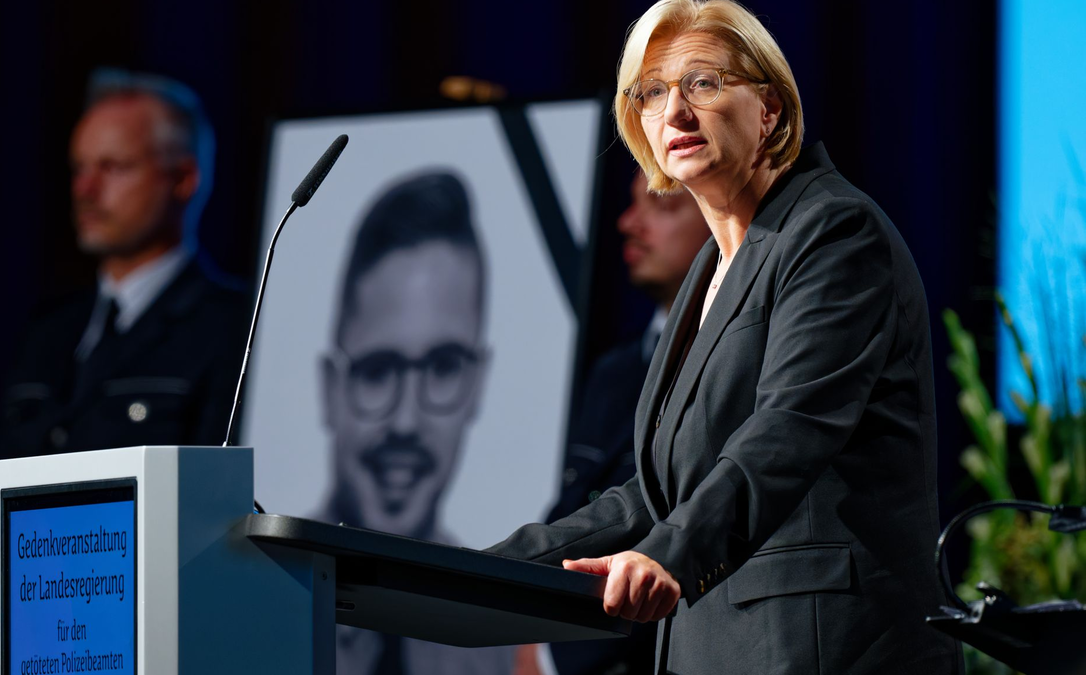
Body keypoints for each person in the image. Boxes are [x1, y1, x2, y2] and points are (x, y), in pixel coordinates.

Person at [489, 1, 962, 673]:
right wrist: (479, 568)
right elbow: (653, 493)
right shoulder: (708, 272)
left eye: (702, 83)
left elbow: (789, 429)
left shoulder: (834, 231)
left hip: (822, 645)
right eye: (652, 92)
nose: (675, 112)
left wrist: (669, 555)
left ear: (769, 108)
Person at [313, 170, 512, 675]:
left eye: (443, 368)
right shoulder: (251, 609)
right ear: (331, 388)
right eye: (378, 371)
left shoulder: (503, 646)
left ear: (478, 384)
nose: (405, 420)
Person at [0, 69, 248, 459]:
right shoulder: (47, 332)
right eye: (79, 168)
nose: (85, 190)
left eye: (113, 166)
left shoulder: (235, 328)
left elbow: (224, 489)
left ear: (182, 178)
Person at [514, 173, 708, 675]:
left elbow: (687, 537)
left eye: (660, 205)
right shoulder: (612, 373)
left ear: (719, 216)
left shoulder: (733, 364)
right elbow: (573, 513)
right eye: (631, 203)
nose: (627, 223)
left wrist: (555, 658)